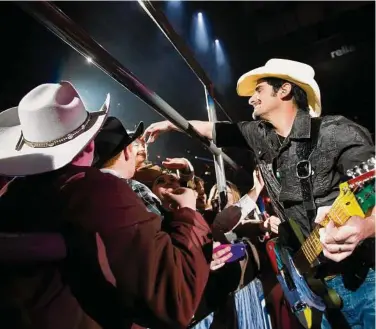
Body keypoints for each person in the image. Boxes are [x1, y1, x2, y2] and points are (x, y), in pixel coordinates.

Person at [143, 58, 375, 329]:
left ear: (284, 90)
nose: (251, 99)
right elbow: (214, 130)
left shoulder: (335, 132)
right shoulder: (260, 135)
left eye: (259, 90)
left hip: (363, 278)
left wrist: (367, 226)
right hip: (311, 283)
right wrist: (172, 124)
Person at [0, 81, 212, 329]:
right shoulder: (98, 192)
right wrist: (188, 212)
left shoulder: (13, 196)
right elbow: (176, 297)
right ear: (89, 143)